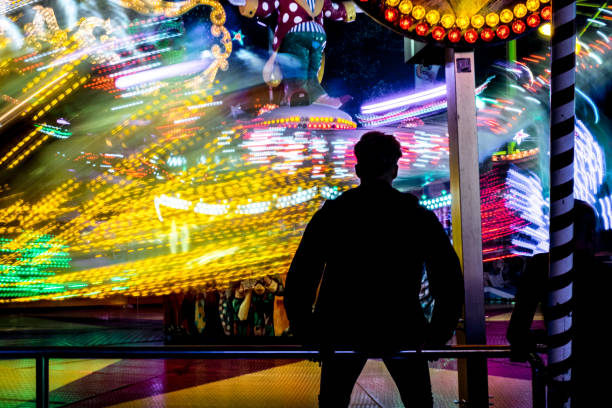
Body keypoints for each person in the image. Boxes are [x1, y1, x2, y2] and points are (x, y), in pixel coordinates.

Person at [284, 131, 465, 407]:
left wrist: (307, 332)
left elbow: (302, 276)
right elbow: (448, 277)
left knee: (333, 400)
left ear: (358, 169)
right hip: (401, 324)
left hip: (341, 326)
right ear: (395, 169)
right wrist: (437, 333)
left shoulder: (332, 215)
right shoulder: (416, 217)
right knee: (418, 400)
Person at [507, 200, 611, 407]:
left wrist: (545, 337)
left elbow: (516, 332)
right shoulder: (604, 273)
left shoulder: (540, 267)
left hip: (560, 373)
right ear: (591, 233)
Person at [228, 0, 357, 107]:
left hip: (317, 40)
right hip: (294, 36)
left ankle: (319, 96)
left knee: (312, 69)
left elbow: (333, 11)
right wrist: (245, 2)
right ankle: (296, 93)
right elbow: (265, 6)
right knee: (298, 66)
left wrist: (354, 8)